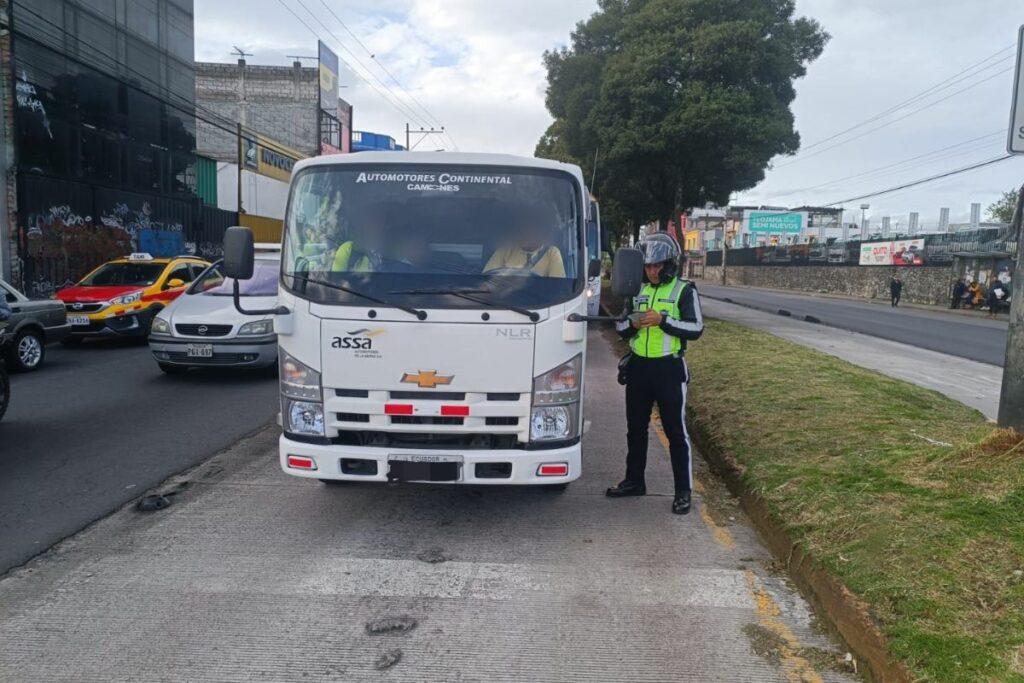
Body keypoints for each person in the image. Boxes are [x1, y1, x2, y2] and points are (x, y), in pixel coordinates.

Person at [607, 233, 704, 515]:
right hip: (639, 367)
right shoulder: (635, 290)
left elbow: (696, 329)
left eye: (657, 265)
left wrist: (663, 321)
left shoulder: (684, 290)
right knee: (635, 429)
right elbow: (621, 327)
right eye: (647, 266)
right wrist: (636, 323)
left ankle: (683, 491)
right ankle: (634, 481)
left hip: (669, 368)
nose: (652, 271)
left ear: (669, 264)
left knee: (676, 431)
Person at [483, 207, 566, 277]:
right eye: (521, 228)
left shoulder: (552, 253)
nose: (522, 232)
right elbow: (487, 279)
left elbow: (557, 288)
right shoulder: (506, 250)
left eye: (528, 229)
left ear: (539, 232)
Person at [331, 203, 391, 273]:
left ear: (385, 225)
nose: (374, 224)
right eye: (370, 219)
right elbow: (335, 279)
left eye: (379, 218)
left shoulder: (391, 251)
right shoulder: (348, 249)